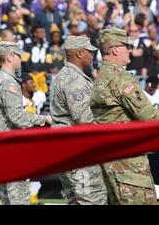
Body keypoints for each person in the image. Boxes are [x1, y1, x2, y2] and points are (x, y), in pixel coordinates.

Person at [90, 28, 159, 205]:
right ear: (115, 49)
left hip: (112, 161)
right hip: (129, 165)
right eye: (126, 46)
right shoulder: (120, 78)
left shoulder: (101, 76)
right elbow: (150, 118)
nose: (130, 50)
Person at [0, 41, 52, 205]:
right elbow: (16, 116)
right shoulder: (9, 82)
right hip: (10, 144)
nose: (21, 59)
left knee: (7, 196)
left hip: (0, 142)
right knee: (18, 196)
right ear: (9, 57)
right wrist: (44, 119)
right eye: (18, 55)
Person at [49, 36, 108, 205]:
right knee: (93, 200)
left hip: (66, 149)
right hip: (79, 151)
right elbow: (86, 119)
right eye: (90, 52)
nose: (93, 56)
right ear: (79, 53)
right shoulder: (74, 79)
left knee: (75, 201)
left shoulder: (62, 76)